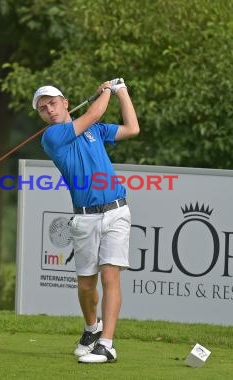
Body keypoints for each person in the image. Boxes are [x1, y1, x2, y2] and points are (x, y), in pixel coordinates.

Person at [33, 79, 139, 363]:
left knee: (109, 275)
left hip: (116, 211)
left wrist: (121, 91)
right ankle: (92, 328)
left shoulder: (94, 130)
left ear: (65, 102)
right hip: (85, 218)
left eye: (53, 103)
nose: (50, 111)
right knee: (86, 286)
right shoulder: (52, 137)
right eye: (43, 109)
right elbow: (93, 114)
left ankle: (107, 344)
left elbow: (132, 128)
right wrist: (106, 90)